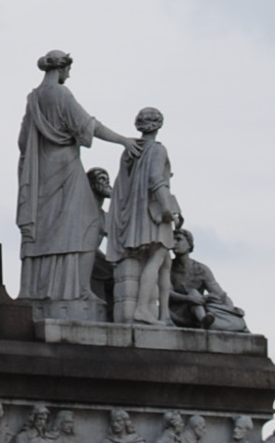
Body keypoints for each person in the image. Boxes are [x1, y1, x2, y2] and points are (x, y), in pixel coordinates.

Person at [15, 51, 132, 306]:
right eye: (68, 70)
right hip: (65, 167)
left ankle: (42, 287)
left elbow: (23, 141)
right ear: (62, 68)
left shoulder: (33, 98)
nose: (68, 75)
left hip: (41, 170)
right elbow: (88, 125)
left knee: (45, 228)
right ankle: (77, 289)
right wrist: (123, 140)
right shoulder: (61, 94)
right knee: (88, 223)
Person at [106, 108, 182, 324]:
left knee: (165, 262)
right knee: (157, 256)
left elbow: (123, 184)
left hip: (134, 211)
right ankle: (142, 308)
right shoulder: (158, 149)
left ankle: (164, 314)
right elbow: (156, 180)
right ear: (159, 124)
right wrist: (168, 210)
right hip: (153, 212)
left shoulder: (132, 149)